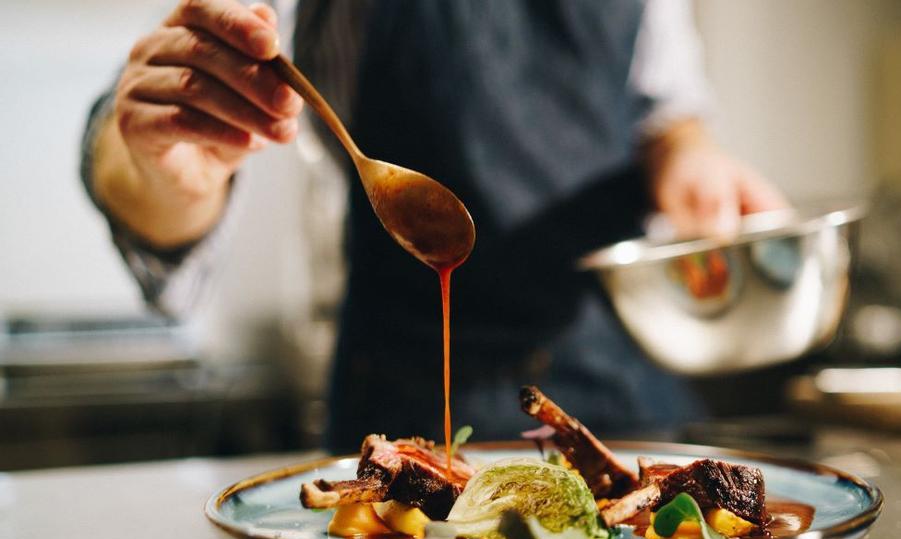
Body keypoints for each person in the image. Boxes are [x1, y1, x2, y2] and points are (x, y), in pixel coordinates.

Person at [82, 0, 787, 448]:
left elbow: (666, 110)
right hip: (408, 416)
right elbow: (149, 121)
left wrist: (689, 158)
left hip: (621, 402)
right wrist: (160, 169)